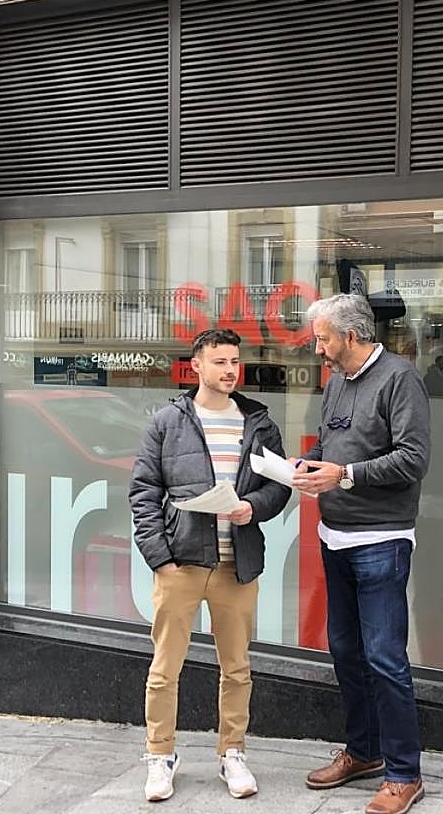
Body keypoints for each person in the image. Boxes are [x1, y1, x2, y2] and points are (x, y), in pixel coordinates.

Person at [129, 328, 292, 803]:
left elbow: (278, 486)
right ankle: (160, 756)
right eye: (219, 361)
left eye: (234, 362)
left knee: (237, 667)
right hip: (181, 562)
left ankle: (232, 752)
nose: (229, 370)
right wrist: (159, 558)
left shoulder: (258, 422)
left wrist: (252, 508)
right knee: (165, 667)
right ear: (195, 365)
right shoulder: (167, 422)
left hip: (235, 563)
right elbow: (144, 493)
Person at [291, 293, 431, 814]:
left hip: (381, 540)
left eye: (323, 338)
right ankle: (363, 751)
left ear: (350, 336)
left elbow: (413, 460)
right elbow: (332, 449)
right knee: (346, 652)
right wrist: (302, 467)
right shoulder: (335, 382)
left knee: (385, 658)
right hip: (336, 537)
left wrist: (344, 475)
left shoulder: (400, 378)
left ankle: (404, 773)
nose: (318, 348)